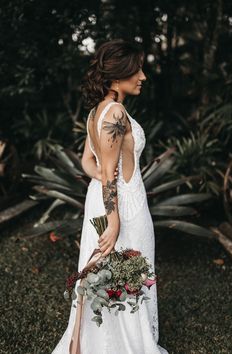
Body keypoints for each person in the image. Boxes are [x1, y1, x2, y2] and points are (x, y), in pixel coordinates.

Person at [51, 38, 169, 354]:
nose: (142, 77)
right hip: (123, 206)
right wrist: (113, 219)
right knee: (126, 275)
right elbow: (105, 171)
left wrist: (105, 179)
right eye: (137, 70)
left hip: (100, 200)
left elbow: (88, 163)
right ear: (117, 76)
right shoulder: (115, 114)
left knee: (110, 276)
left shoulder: (95, 114)